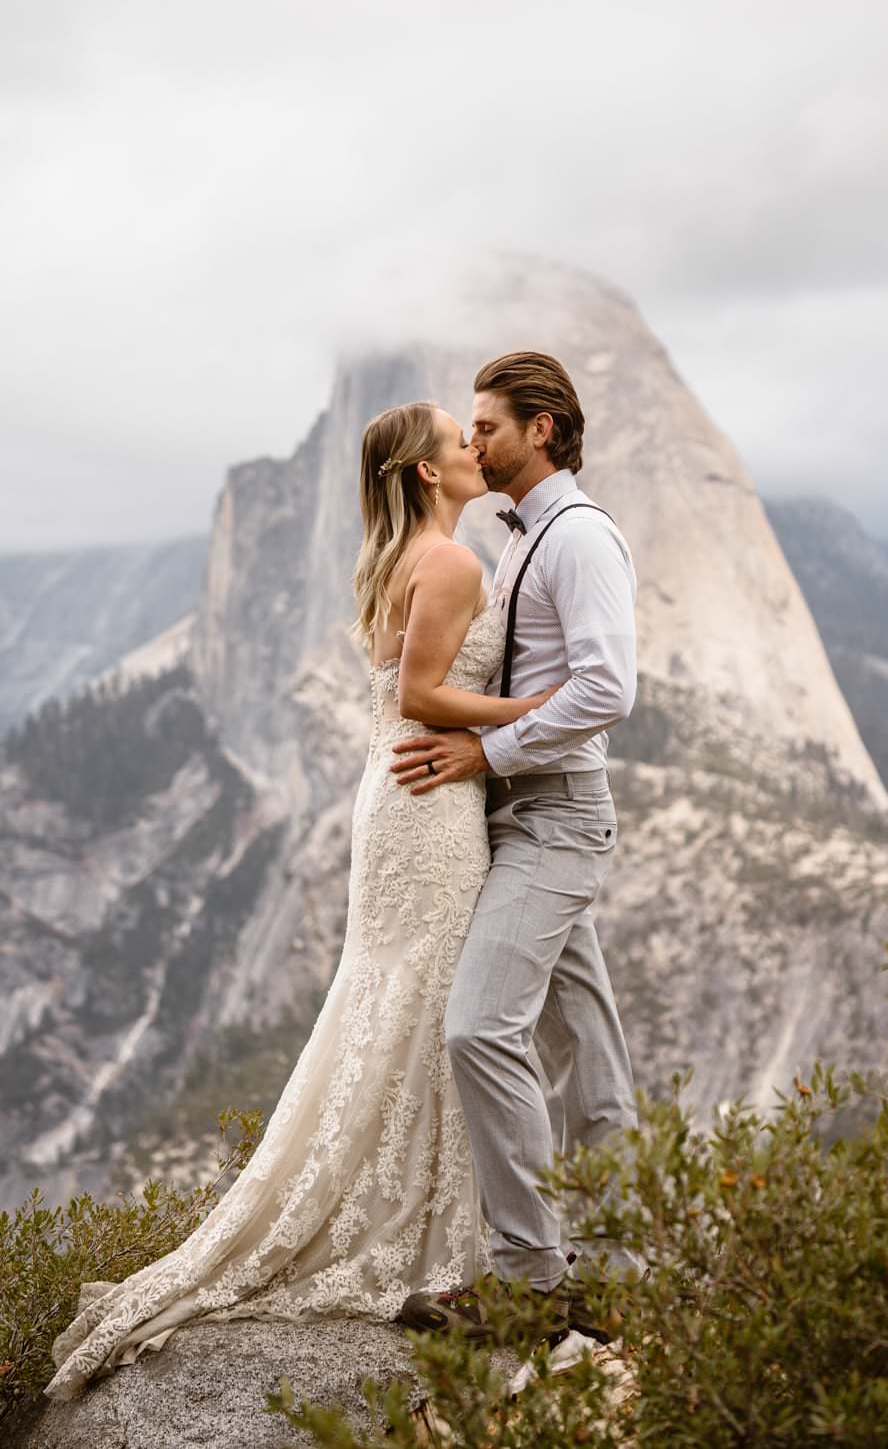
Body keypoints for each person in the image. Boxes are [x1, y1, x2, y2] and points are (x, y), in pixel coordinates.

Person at [43, 400, 558, 1402]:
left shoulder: (402, 556)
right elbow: (417, 696)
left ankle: (422, 1228)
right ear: (421, 472)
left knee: (400, 1002)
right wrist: (533, 712)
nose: (472, 449)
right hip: (430, 803)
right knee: (429, 1005)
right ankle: (431, 1244)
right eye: (458, 441)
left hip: (399, 801)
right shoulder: (449, 563)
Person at [393, 352, 643, 1344]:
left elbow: (606, 690)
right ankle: (624, 1270)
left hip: (553, 811)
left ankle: (529, 1281)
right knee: (585, 1046)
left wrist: (484, 749)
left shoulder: (578, 538)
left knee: (479, 1029)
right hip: (530, 811)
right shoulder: (529, 538)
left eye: (487, 424)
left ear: (542, 428)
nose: (472, 440)